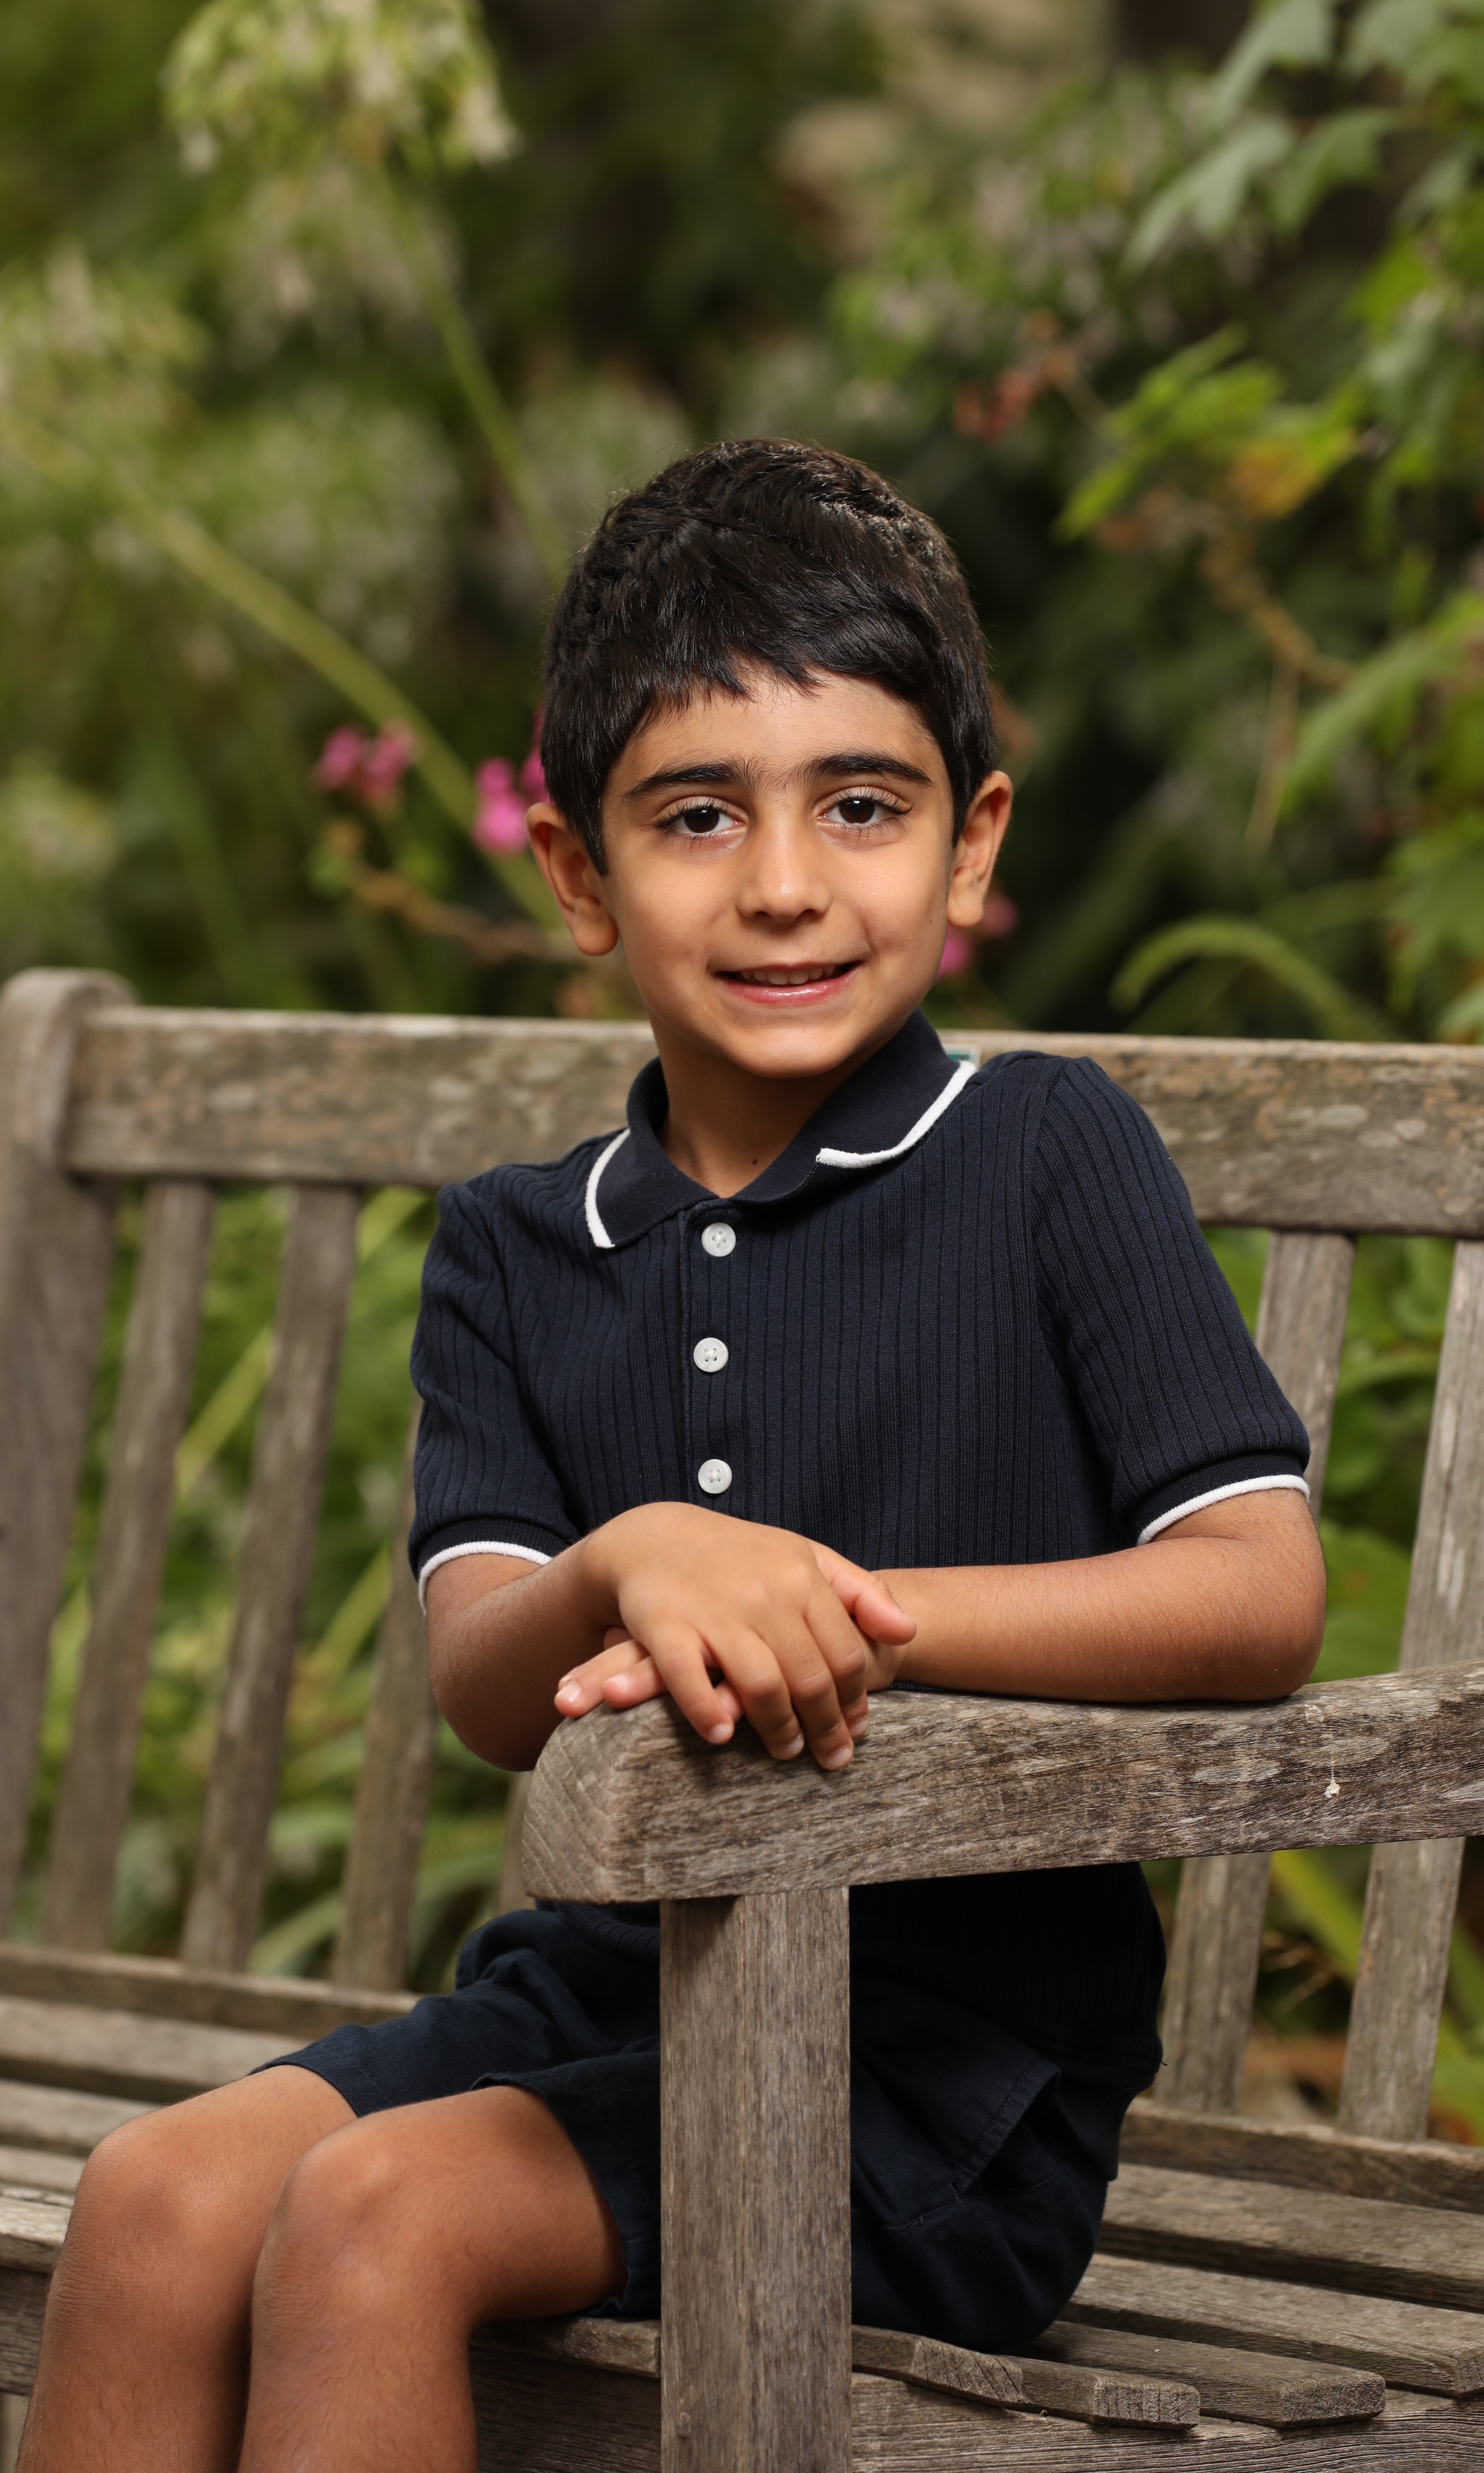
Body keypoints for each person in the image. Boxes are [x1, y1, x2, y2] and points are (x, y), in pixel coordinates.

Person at [20, 440, 1324, 2472]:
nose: (784, 881)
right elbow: (485, 1683)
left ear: (971, 845)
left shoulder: (1045, 1157)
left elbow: (1259, 1592)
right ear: (577, 873)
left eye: (862, 806)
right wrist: (632, 1553)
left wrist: (832, 1611)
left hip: (937, 2088)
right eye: (698, 815)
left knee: (373, 2217)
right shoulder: (518, 1245)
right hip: (594, 2002)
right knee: (155, 2201)